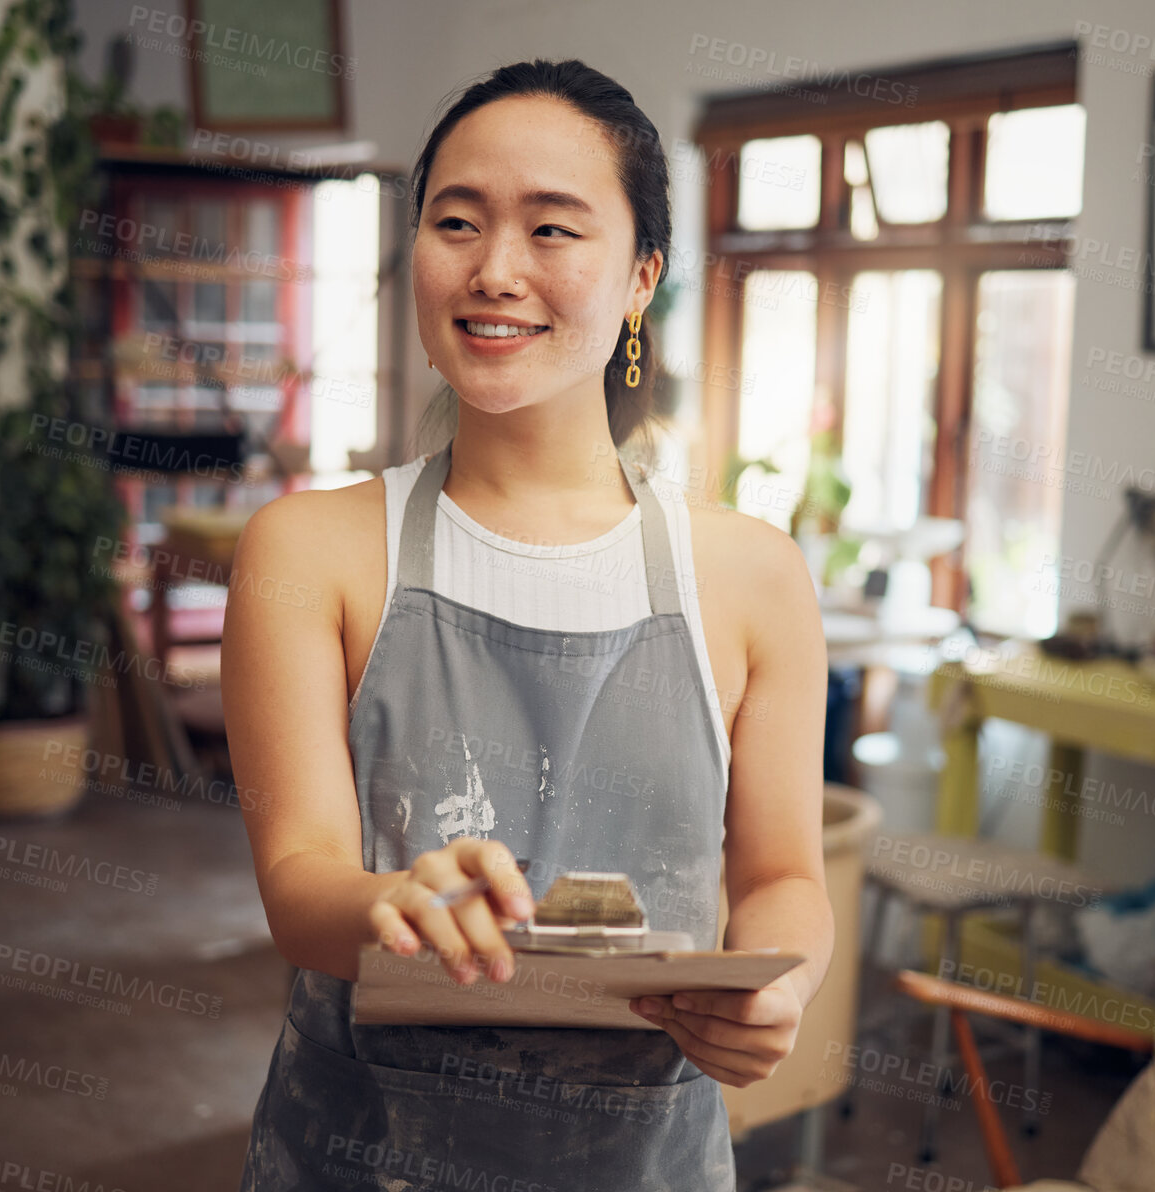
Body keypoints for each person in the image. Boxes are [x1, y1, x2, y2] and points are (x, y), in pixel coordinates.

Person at [225, 57, 832, 1192]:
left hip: (643, 1159)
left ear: (642, 275)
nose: (495, 269)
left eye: (554, 230)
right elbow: (300, 885)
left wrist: (779, 983)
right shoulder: (308, 553)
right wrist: (391, 903)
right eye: (456, 221)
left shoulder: (753, 575)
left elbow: (786, 872)